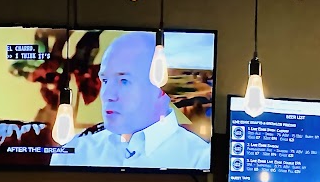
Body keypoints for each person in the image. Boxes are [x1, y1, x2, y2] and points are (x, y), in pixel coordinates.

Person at [62, 32, 210, 169]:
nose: (107, 95)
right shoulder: (74, 154)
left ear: (160, 90)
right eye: (105, 80)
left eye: (124, 81)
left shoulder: (199, 159)